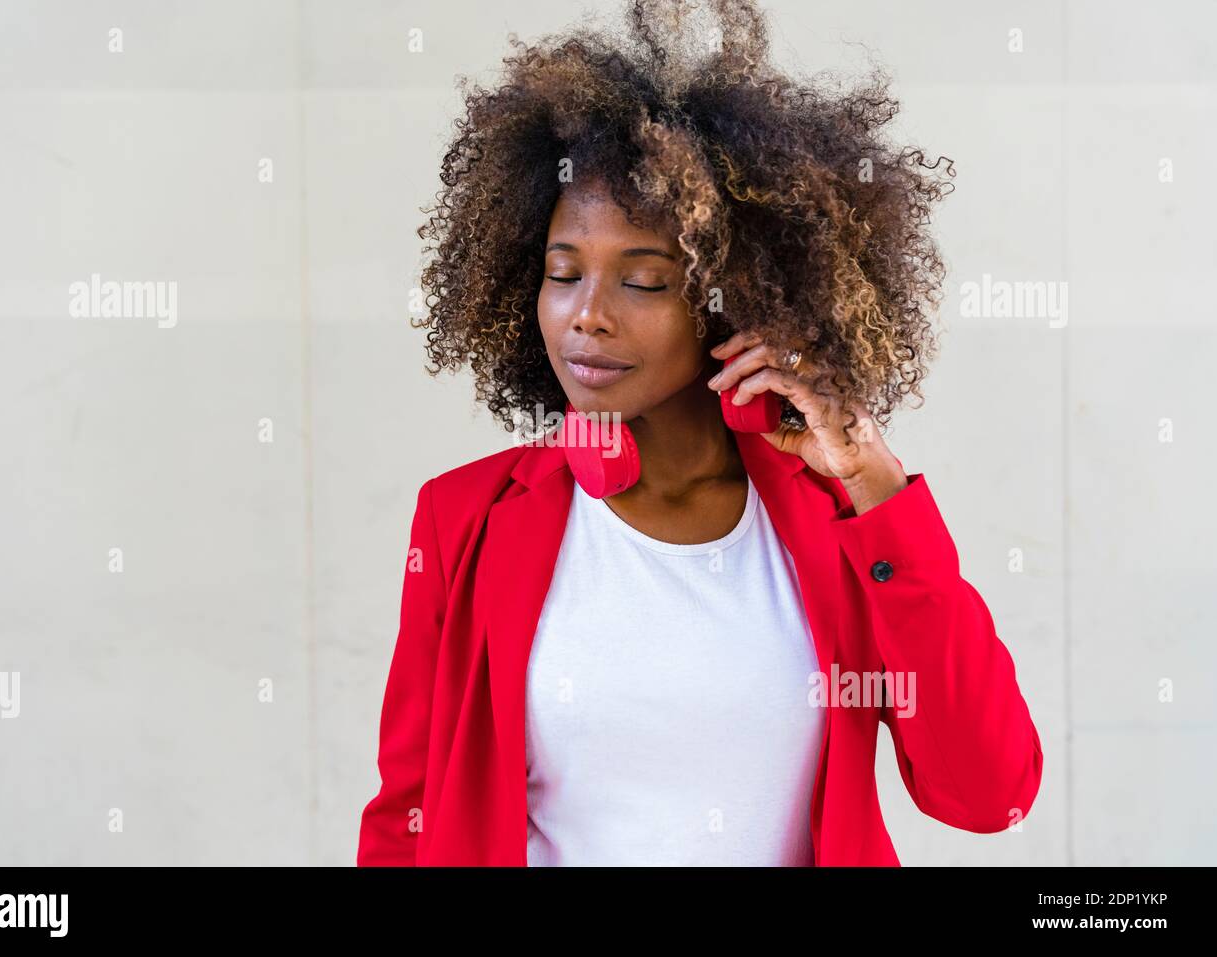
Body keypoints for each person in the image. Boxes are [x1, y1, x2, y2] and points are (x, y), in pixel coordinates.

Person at [357, 0, 1042, 866]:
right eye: (562, 273)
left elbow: (990, 791)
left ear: (732, 297)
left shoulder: (837, 522)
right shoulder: (464, 519)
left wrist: (873, 481)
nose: (586, 317)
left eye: (643, 281)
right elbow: (406, 820)